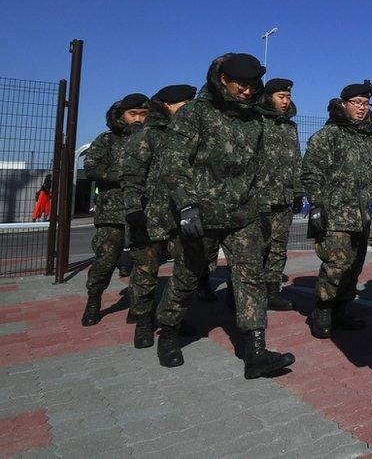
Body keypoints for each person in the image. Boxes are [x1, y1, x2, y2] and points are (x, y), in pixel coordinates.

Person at [155, 53, 294, 379]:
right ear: (222, 80)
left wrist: (260, 210)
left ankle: (256, 352)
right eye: (240, 85)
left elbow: (261, 171)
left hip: (242, 215)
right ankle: (170, 332)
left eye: (252, 85)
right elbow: (174, 163)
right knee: (187, 275)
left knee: (251, 280)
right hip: (201, 216)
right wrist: (187, 206)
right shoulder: (195, 114)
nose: (247, 91)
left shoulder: (255, 120)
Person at [301, 80, 372, 339]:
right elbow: (311, 173)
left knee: (354, 267)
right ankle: (322, 310)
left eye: (365, 103)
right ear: (343, 105)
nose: (362, 108)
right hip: (335, 216)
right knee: (336, 265)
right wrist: (317, 204)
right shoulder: (328, 136)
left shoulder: (369, 139)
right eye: (356, 103)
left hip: (361, 216)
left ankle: (341, 309)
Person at [121, 84, 198, 348]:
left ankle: (172, 319)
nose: (190, 108)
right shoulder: (147, 136)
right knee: (145, 272)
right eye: (184, 104)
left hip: (181, 216)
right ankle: (143, 322)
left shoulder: (191, 134)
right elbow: (131, 177)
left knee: (185, 270)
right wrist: (133, 210)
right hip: (150, 216)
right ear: (167, 105)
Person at [81, 93, 150, 326]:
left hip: (143, 211)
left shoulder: (152, 139)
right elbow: (91, 168)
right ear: (122, 115)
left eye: (143, 114)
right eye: (133, 114)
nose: (138, 119)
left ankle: (139, 307)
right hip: (112, 213)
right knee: (106, 260)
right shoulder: (107, 140)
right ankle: (94, 299)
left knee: (144, 261)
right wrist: (124, 174)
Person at [256, 78, 303, 312]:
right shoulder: (256, 122)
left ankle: (272, 291)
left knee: (278, 247)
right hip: (259, 199)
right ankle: (244, 292)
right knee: (257, 247)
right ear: (268, 97)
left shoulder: (290, 127)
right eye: (281, 97)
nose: (286, 101)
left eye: (288, 97)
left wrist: (298, 192)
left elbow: (296, 161)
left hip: (284, 197)